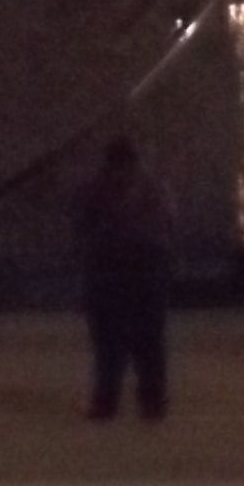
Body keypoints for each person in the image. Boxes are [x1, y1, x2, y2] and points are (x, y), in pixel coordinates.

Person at [74, 139, 176, 421]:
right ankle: (151, 402)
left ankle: (107, 402)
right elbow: (169, 223)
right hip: (147, 268)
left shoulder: (96, 190)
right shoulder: (155, 189)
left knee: (110, 342)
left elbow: (81, 225)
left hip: (110, 269)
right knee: (148, 341)